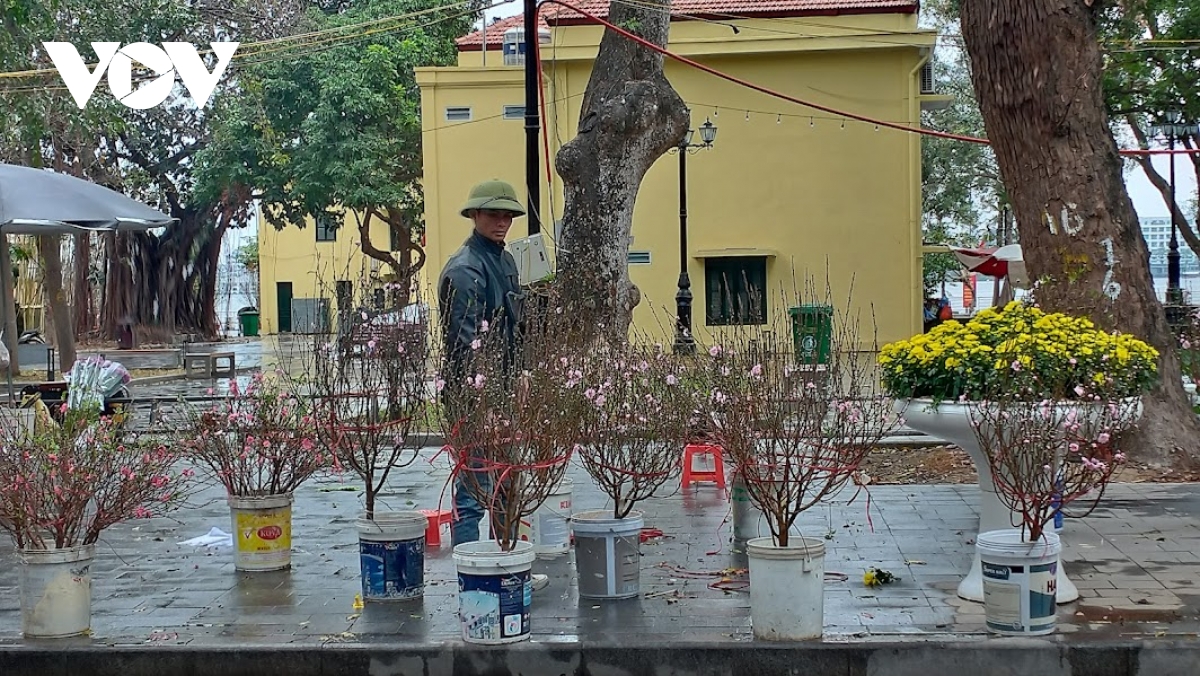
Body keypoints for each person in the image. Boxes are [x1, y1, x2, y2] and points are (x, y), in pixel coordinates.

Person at [438, 179, 548, 590]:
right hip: (475, 395)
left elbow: (514, 329)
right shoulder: (467, 269)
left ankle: (505, 567)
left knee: (506, 486)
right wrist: (484, 403)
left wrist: (521, 374)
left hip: (502, 390)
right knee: (473, 493)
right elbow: (468, 343)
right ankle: (472, 575)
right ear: (474, 216)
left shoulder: (504, 262)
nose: (502, 221)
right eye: (493, 213)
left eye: (507, 215)